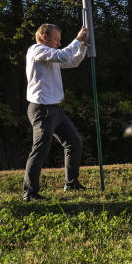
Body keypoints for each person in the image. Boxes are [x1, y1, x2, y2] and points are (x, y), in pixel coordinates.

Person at [21, 23, 90, 201]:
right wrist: (77, 39)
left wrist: (82, 46)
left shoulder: (52, 57)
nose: (59, 43)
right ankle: (30, 193)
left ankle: (71, 184)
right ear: (45, 37)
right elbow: (63, 54)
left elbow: (72, 61)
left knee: (74, 142)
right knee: (40, 149)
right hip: (41, 109)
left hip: (55, 109)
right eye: (57, 39)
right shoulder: (36, 50)